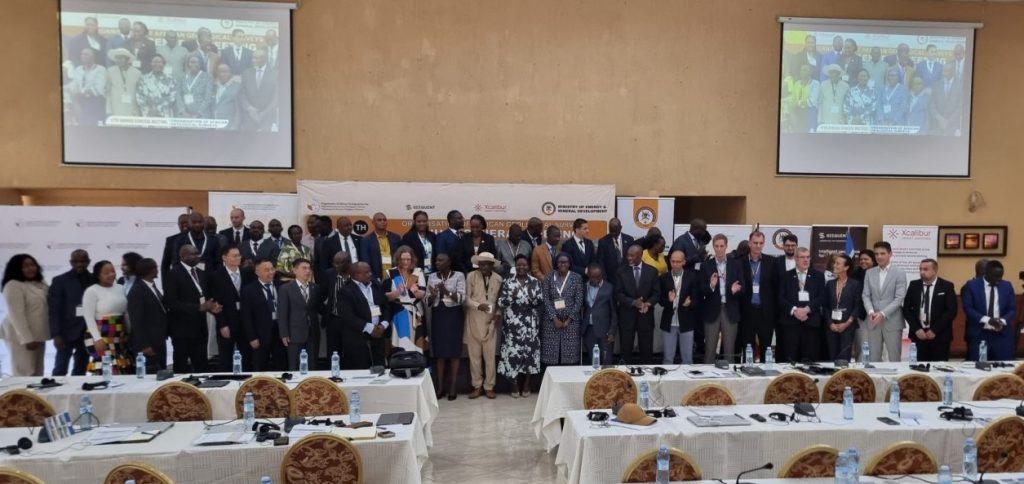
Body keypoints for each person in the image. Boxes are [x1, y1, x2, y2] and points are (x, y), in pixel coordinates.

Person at [164, 245, 221, 373]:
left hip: (200, 327)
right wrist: (198, 307)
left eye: (197, 253)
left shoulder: (201, 273)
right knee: (181, 366)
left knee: (202, 365)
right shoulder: (173, 274)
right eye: (193, 254)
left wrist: (211, 308)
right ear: (183, 256)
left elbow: (204, 296)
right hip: (182, 330)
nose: (197, 256)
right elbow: (171, 303)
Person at [498, 255, 543, 397]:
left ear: (528, 266)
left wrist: (532, 297)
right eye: (518, 265)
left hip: (530, 325)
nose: (521, 267)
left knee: (529, 354)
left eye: (524, 265)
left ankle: (527, 384)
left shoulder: (535, 282)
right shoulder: (507, 282)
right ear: (515, 266)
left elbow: (540, 302)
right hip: (512, 325)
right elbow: (500, 303)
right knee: (512, 354)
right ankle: (514, 385)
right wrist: (511, 297)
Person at [208, 246, 255, 371]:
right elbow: (215, 303)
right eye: (234, 256)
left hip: (245, 322)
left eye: (239, 255)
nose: (238, 258)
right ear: (224, 258)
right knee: (226, 357)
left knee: (246, 356)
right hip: (227, 321)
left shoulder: (247, 274)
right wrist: (222, 324)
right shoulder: (216, 276)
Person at [1, 254, 49, 376]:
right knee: (25, 373)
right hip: (21, 337)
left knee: (38, 373)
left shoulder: (40, 284)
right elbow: (17, 315)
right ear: (17, 268)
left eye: (32, 265)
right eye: (25, 266)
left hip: (39, 335)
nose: (30, 268)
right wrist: (27, 339)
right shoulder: (13, 285)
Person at [860, 241, 908, 362]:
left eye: (882, 253)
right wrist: (871, 312)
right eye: (876, 254)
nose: (879, 256)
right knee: (873, 358)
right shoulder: (869, 273)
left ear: (890, 254)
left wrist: (882, 314)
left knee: (894, 358)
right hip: (873, 320)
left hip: (892, 321)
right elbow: (866, 295)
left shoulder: (899, 273)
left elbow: (899, 298)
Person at [902, 259, 957, 362]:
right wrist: (916, 329)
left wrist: (934, 330)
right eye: (920, 269)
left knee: (939, 367)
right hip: (918, 336)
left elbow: (951, 311)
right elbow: (906, 310)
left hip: (940, 336)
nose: (922, 272)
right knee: (919, 367)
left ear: (935, 270)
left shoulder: (946, 286)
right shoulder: (914, 285)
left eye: (925, 269)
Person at [427, 254, 465, 399]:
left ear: (449, 262)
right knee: (440, 353)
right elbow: (428, 300)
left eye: (440, 260)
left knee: (454, 352)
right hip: (439, 315)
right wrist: (433, 295)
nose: (437, 262)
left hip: (454, 315)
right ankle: (440, 387)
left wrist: (446, 291)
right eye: (436, 260)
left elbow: (461, 298)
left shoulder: (459, 276)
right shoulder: (432, 277)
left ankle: (453, 387)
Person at [464, 252, 503, 399]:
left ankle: (489, 387)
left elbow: (500, 301)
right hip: (473, 320)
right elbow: (465, 299)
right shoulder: (471, 276)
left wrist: (498, 314)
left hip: (490, 322)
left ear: (492, 265)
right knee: (474, 357)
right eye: (481, 264)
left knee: (490, 357)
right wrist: (477, 305)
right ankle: (477, 386)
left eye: (487, 264)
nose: (484, 267)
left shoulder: (498, 279)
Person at [339, 261, 391, 369]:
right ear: (356, 275)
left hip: (378, 336)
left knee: (379, 369)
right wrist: (370, 328)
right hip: (358, 339)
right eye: (366, 272)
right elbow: (348, 316)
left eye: (370, 271)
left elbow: (385, 307)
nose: (370, 274)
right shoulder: (346, 291)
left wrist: (383, 325)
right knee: (361, 370)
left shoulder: (376, 286)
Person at [700, 234, 743, 363]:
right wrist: (711, 286)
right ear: (713, 247)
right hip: (712, 310)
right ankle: (708, 374)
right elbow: (701, 289)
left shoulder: (736, 264)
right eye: (716, 246)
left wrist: (736, 290)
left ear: (726, 246)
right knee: (709, 349)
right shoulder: (706, 265)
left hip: (730, 310)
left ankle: (729, 375)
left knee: (729, 349)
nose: (719, 249)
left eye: (721, 246)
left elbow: (744, 287)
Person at [48, 250, 92, 376]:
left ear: (88, 262)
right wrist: (56, 334)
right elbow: (54, 310)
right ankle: (55, 389)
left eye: (83, 261)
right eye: (76, 262)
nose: (79, 264)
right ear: (70, 262)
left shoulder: (95, 279)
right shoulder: (60, 281)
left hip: (88, 331)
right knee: (60, 369)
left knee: (81, 369)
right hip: (66, 332)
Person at [82, 260, 130, 374]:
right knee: (106, 367)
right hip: (101, 333)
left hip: (119, 332)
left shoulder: (121, 288)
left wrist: (129, 331)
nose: (111, 274)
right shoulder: (92, 291)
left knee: (121, 366)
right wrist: (97, 338)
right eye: (106, 273)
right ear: (98, 275)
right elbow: (89, 317)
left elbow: (126, 312)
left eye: (113, 271)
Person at [778, 248, 825, 363]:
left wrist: (807, 309)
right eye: (802, 257)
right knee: (790, 359)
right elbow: (780, 297)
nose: (806, 260)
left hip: (811, 323)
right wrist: (795, 310)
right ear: (795, 258)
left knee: (809, 360)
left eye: (808, 257)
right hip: (791, 324)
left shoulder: (818, 276)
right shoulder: (785, 276)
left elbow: (822, 297)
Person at [963, 260, 1016, 361]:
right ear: (986, 273)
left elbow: (1012, 309)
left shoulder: (1007, 286)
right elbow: (968, 308)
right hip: (980, 334)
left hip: (1001, 335)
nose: (998, 280)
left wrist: (1002, 321)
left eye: (1000, 276)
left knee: (1005, 367)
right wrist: (988, 320)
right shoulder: (972, 285)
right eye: (995, 276)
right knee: (977, 366)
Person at [615, 244, 660, 364]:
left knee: (646, 351)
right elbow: (618, 294)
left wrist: (648, 304)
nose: (628, 258)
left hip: (645, 316)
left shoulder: (652, 271)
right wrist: (634, 302)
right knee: (625, 351)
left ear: (640, 255)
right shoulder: (621, 271)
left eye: (632, 255)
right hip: (627, 316)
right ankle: (625, 373)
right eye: (628, 255)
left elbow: (656, 294)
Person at [277, 258, 323, 371]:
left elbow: (319, 308)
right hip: (294, 334)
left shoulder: (315, 288)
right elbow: (282, 313)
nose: (307, 271)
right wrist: (284, 333)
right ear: (295, 270)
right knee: (295, 365)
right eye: (304, 268)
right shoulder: (286, 289)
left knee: (312, 365)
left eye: (309, 268)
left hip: (313, 333)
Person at [739, 231, 778, 362]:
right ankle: (747, 372)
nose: (758, 246)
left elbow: (775, 288)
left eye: (761, 243)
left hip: (765, 312)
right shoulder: (740, 262)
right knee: (747, 348)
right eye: (755, 243)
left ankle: (765, 372)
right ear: (750, 243)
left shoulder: (771, 262)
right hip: (747, 312)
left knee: (766, 348)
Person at [541, 253, 583, 367]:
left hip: (571, 322)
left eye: (565, 262)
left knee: (569, 357)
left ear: (569, 264)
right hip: (551, 321)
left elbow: (579, 300)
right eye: (560, 262)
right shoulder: (548, 277)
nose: (562, 264)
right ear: (556, 263)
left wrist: (569, 320)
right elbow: (546, 298)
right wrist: (554, 318)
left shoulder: (577, 277)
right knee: (551, 356)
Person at [383, 246, 427, 352]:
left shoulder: (417, 272)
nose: (405, 262)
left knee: (416, 345)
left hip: (415, 313)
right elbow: (385, 296)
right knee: (401, 343)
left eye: (408, 259)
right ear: (398, 259)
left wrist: (415, 291)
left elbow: (422, 294)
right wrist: (397, 292)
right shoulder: (389, 272)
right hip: (398, 312)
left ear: (412, 259)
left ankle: (416, 361)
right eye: (403, 259)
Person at [127, 258, 168, 373]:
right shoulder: (137, 291)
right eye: (155, 267)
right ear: (149, 270)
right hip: (148, 344)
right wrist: (144, 345)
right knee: (151, 374)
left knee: (162, 372)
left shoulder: (152, 286)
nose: (157, 270)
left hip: (159, 340)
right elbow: (136, 321)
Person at [659, 250, 699, 364]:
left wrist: (690, 303)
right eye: (673, 261)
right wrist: (669, 301)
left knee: (687, 359)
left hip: (686, 322)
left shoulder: (692, 277)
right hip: (669, 322)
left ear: (684, 262)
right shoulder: (664, 278)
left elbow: (697, 299)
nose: (675, 264)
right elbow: (660, 300)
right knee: (667, 358)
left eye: (678, 262)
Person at [825, 254, 861, 361]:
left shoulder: (855, 284)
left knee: (844, 359)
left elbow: (857, 306)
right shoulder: (830, 284)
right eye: (834, 263)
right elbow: (825, 306)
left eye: (838, 264)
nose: (834, 265)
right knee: (832, 357)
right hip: (832, 327)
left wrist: (847, 323)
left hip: (848, 327)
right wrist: (830, 323)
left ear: (846, 267)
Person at [581, 263, 616, 366]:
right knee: (593, 362)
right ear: (588, 275)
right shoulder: (583, 287)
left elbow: (614, 311)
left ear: (602, 275)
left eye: (598, 277)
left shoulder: (609, 288)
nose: (596, 280)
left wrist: (612, 331)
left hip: (605, 331)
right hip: (589, 330)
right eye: (593, 277)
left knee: (606, 361)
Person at [66, 47, 107, 126]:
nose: (83, 56)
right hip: (80, 101)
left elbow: (98, 89)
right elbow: (74, 84)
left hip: (94, 102)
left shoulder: (100, 69)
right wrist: (64, 88)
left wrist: (80, 92)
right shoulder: (78, 69)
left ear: (93, 57)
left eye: (86, 54)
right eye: (82, 54)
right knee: (80, 124)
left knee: (92, 126)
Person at [239, 49, 278, 131]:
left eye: (256, 58)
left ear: (264, 59)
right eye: (253, 58)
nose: (253, 60)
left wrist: (264, 113)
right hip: (249, 117)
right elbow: (241, 94)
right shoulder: (246, 73)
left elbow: (276, 97)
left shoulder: (275, 74)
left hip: (267, 118)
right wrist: (249, 108)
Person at [360, 212, 401, 280]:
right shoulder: (366, 240)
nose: (382, 222)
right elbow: (366, 261)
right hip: (376, 277)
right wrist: (373, 278)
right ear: (373, 222)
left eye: (384, 220)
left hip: (395, 276)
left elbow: (400, 257)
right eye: (379, 220)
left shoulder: (396, 237)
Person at [781, 63, 820, 133]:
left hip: (810, 112)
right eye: (801, 70)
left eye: (805, 70)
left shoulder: (815, 84)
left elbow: (811, 102)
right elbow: (793, 98)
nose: (802, 72)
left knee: (809, 133)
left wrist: (797, 103)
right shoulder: (797, 83)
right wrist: (785, 101)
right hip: (798, 112)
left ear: (810, 72)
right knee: (798, 131)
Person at [596, 217, 634, 286]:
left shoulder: (629, 239)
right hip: (610, 279)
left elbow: (633, 259)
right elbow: (601, 262)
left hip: (627, 278)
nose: (613, 233)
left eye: (615, 231)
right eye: (611, 231)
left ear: (620, 228)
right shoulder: (603, 241)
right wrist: (604, 280)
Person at [105, 48, 142, 117]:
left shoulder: (137, 73)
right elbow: (107, 92)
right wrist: (108, 110)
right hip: (115, 107)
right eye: (117, 58)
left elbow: (140, 94)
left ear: (127, 59)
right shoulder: (110, 71)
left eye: (121, 58)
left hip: (132, 108)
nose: (118, 60)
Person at [176, 54, 214, 119]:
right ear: (188, 64)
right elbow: (178, 95)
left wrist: (198, 113)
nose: (193, 64)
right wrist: (183, 111)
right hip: (185, 115)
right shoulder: (182, 77)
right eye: (191, 62)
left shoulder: (207, 77)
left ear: (200, 64)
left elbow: (208, 97)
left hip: (202, 115)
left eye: (196, 62)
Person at [929, 63, 963, 136]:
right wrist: (939, 118)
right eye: (943, 71)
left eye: (945, 71)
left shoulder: (960, 86)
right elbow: (931, 104)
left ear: (952, 72)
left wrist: (948, 121)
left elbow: (960, 107)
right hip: (937, 126)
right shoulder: (936, 84)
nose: (943, 73)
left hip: (953, 127)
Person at [212, 63, 242, 129]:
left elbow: (239, 110)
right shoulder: (213, 87)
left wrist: (234, 126)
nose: (222, 74)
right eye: (220, 72)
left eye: (225, 72)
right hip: (214, 126)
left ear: (230, 73)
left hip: (229, 126)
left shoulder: (237, 87)